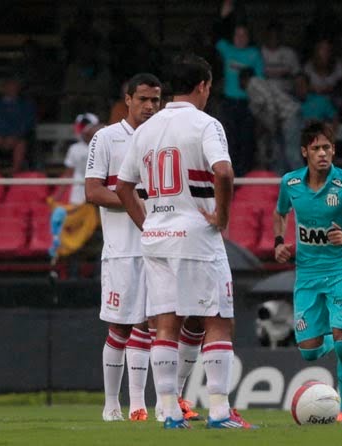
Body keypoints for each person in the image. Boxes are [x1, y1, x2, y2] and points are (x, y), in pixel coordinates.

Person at [116, 54, 255, 430]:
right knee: (219, 321)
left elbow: (123, 186)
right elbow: (223, 171)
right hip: (196, 234)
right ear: (203, 86)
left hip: (158, 236)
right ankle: (221, 412)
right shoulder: (206, 124)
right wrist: (222, 216)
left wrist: (146, 223)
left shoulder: (145, 129)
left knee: (165, 323)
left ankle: (170, 413)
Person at [274, 121, 342, 422]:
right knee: (308, 350)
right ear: (305, 151)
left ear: (333, 150)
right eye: (316, 148)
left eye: (327, 148)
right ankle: (340, 340)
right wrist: (279, 242)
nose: (323, 153)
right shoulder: (290, 183)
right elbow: (279, 213)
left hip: (341, 270)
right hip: (306, 273)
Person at [84, 73, 162, 422]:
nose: (149, 106)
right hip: (121, 249)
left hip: (158, 246)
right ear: (127, 99)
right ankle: (110, 404)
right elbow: (93, 191)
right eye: (143, 99)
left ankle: (139, 405)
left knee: (147, 324)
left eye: (155, 100)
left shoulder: (163, 136)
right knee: (120, 326)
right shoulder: (106, 138)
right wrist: (131, 198)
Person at [215, 0, 263, 176]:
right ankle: (231, 178)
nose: (240, 38)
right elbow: (217, 34)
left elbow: (260, 81)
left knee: (247, 142)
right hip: (229, 103)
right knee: (230, 141)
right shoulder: (227, 49)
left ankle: (245, 177)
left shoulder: (254, 54)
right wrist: (225, 15)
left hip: (247, 103)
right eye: (237, 35)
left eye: (244, 35)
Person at [239, 68, 302, 174]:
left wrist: (274, 120)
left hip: (287, 115)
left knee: (291, 153)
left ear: (243, 79)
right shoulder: (255, 89)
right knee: (279, 155)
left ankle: (303, 184)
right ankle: (280, 185)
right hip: (281, 120)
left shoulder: (253, 82)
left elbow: (268, 100)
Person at [0, 78, 36, 174]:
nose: (12, 89)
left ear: (18, 89)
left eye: (14, 87)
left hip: (17, 139)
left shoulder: (26, 105)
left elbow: (29, 123)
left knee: (21, 145)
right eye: (9, 87)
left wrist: (16, 136)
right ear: (3, 89)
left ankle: (14, 173)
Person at [261, 20, 300, 94]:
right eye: (271, 35)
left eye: (277, 35)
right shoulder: (258, 53)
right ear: (266, 35)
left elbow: (298, 76)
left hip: (286, 94)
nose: (274, 38)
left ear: (281, 36)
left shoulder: (290, 53)